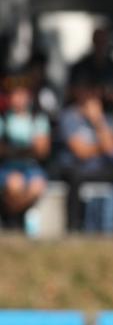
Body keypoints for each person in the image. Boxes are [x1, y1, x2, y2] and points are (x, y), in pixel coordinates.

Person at [58, 76, 113, 230]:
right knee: (75, 177)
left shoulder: (106, 119)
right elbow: (80, 152)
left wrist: (98, 121)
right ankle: (74, 227)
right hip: (76, 169)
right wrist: (102, 146)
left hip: (100, 168)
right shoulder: (68, 117)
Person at [0, 73, 49, 225]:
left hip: (30, 166)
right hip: (9, 166)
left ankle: (13, 216)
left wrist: (16, 149)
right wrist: (24, 149)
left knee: (36, 186)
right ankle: (16, 217)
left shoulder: (37, 119)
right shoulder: (4, 119)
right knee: (14, 184)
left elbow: (42, 150)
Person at [68, 27, 113, 133]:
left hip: (110, 117)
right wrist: (92, 94)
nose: (100, 45)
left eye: (103, 41)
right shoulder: (81, 66)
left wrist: (107, 94)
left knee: (110, 145)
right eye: (98, 41)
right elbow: (71, 91)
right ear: (93, 42)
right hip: (82, 118)